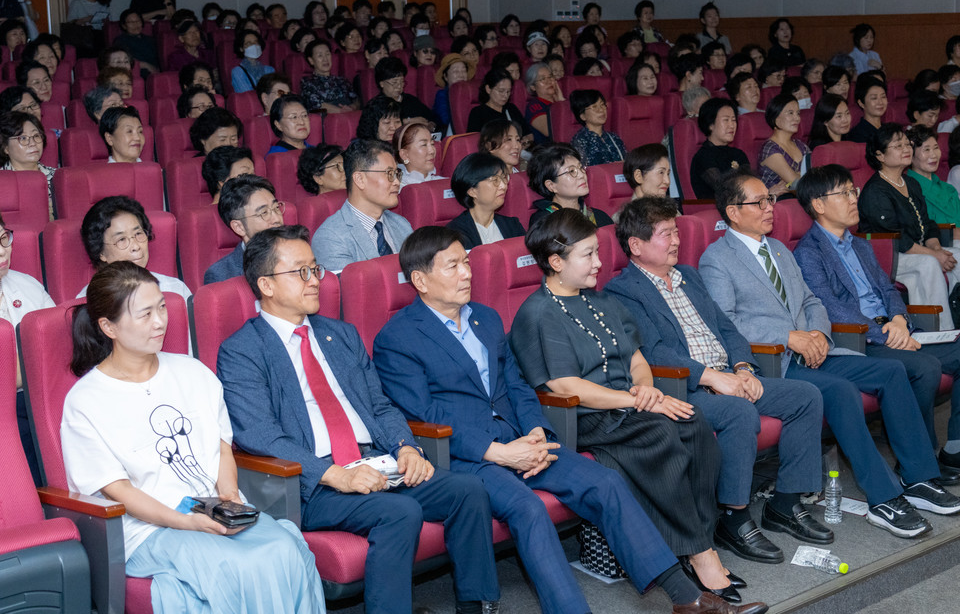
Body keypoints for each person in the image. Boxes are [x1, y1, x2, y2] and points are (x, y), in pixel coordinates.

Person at [373, 225, 768, 614]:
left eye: (467, 262)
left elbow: (519, 387)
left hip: (524, 441)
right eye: (453, 266)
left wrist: (536, 433)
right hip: (469, 456)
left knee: (606, 482)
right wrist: (499, 452)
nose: (467, 273)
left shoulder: (486, 319)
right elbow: (423, 415)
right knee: (529, 510)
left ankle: (687, 598)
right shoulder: (398, 337)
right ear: (420, 280)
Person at [217, 226, 500, 614]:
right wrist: (335, 474)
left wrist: (406, 447)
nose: (315, 280)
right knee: (400, 511)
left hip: (374, 462)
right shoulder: (242, 351)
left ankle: (477, 606)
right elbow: (260, 435)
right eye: (300, 272)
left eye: (315, 269)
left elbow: (380, 407)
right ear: (265, 284)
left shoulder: (341, 335)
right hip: (312, 485)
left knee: (467, 490)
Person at [699, 168, 960, 538]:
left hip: (815, 349)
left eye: (769, 199)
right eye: (758, 202)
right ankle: (883, 497)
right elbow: (728, 322)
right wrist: (791, 336)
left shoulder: (777, 249)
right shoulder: (717, 259)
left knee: (891, 372)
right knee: (839, 391)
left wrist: (818, 333)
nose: (769, 208)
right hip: (773, 359)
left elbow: (810, 300)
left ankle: (919, 478)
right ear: (732, 211)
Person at [61, 261, 326, 613]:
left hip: (214, 510)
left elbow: (220, 447)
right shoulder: (86, 401)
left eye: (161, 307)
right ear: (108, 326)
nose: (160, 322)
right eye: (144, 314)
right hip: (149, 529)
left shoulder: (191, 371)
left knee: (288, 550)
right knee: (236, 569)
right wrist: (186, 522)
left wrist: (229, 495)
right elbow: (119, 489)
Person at [607, 197, 829, 565]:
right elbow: (653, 351)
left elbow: (727, 328)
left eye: (676, 231)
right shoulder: (623, 291)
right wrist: (713, 377)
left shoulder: (689, 276)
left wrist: (742, 367)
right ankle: (734, 516)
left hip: (728, 377)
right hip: (682, 387)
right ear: (636, 245)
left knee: (805, 396)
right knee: (739, 413)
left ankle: (786, 504)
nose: (676, 241)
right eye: (665, 234)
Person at [794, 164, 960, 484]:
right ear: (818, 204)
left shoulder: (860, 244)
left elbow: (887, 289)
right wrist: (886, 332)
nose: (854, 198)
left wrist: (898, 319)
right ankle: (920, 461)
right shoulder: (808, 253)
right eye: (844, 193)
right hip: (860, 341)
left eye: (852, 191)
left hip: (894, 329)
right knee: (924, 367)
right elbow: (832, 308)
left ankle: (954, 446)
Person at [858, 123, 960, 330]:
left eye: (907, 144)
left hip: (916, 249)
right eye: (898, 146)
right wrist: (933, 256)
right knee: (929, 264)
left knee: (957, 255)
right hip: (889, 255)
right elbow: (896, 238)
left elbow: (928, 223)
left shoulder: (910, 183)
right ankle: (942, 331)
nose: (906, 149)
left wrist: (937, 248)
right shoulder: (876, 191)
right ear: (880, 155)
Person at [0, 213, 54, 483]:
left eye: (3, 238)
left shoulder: (27, 285)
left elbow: (59, 346)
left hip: (41, 395)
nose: (2, 251)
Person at [311, 139, 413, 272]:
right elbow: (349, 291)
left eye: (396, 174)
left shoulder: (401, 224)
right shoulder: (330, 237)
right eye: (389, 174)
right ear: (360, 180)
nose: (396, 182)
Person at [77, 195, 191, 302]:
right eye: (121, 239)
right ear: (101, 252)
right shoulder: (89, 300)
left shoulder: (175, 289)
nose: (136, 246)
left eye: (138, 234)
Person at [204, 175, 285, 285]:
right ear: (239, 227)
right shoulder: (222, 275)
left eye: (276, 208)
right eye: (264, 213)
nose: (277, 219)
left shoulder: (298, 254)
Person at [446, 152, 524, 249]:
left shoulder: (512, 225)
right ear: (472, 191)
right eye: (495, 180)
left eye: (504, 178)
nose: (503, 186)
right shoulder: (455, 232)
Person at [527, 143, 613, 229]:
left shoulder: (599, 217)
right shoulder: (544, 222)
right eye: (571, 171)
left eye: (580, 167)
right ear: (551, 185)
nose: (581, 175)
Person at [690, 98, 750, 199]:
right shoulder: (703, 156)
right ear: (710, 125)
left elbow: (750, 182)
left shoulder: (739, 154)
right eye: (726, 120)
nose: (732, 125)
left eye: (734, 120)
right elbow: (723, 188)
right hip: (715, 210)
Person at [0, 111, 54, 219]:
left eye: (36, 136)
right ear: (6, 147)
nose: (33, 142)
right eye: (23, 138)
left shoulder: (58, 177)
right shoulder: (2, 182)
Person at [906, 126, 960, 233]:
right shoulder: (906, 189)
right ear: (910, 155)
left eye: (936, 148)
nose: (933, 155)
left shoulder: (948, 189)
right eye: (926, 149)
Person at [757, 94, 810, 196]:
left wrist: (794, 179)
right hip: (777, 205)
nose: (797, 118)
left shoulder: (801, 145)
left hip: (800, 200)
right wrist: (798, 177)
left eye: (798, 113)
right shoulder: (770, 148)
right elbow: (796, 184)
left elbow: (816, 175)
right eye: (790, 113)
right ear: (776, 118)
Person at [374, 57, 438, 129]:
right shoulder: (375, 105)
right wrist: (408, 121)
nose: (399, 86)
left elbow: (432, 118)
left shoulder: (411, 100)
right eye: (394, 82)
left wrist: (431, 125)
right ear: (382, 83)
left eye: (402, 82)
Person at [467, 67, 531, 137]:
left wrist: (524, 143)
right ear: (488, 89)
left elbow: (528, 134)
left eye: (508, 91)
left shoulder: (511, 109)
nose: (505, 95)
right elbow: (473, 141)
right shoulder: (477, 113)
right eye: (501, 91)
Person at [569, 89, 626, 167]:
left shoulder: (614, 137)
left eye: (602, 105)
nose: (601, 110)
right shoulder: (579, 142)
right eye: (594, 107)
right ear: (583, 116)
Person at [433, 52, 475, 133]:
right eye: (456, 72)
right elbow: (446, 119)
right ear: (445, 77)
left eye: (464, 71)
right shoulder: (441, 95)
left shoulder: (473, 94)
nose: (461, 75)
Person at [394, 122, 442, 190]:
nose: (432, 151)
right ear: (404, 154)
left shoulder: (444, 184)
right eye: (424, 145)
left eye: (432, 144)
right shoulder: (397, 190)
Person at [525, 63, 564, 144]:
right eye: (542, 79)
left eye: (550, 77)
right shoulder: (534, 106)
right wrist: (561, 104)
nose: (548, 81)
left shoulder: (561, 101)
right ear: (533, 87)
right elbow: (550, 130)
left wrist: (562, 102)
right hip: (547, 152)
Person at [847, 75, 888, 143]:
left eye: (883, 97)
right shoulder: (857, 135)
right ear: (861, 103)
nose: (880, 102)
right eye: (874, 98)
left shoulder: (888, 130)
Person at [231, 29, 274, 94]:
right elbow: (247, 95)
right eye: (249, 43)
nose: (254, 45)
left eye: (256, 42)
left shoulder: (270, 70)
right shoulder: (237, 72)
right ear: (241, 48)